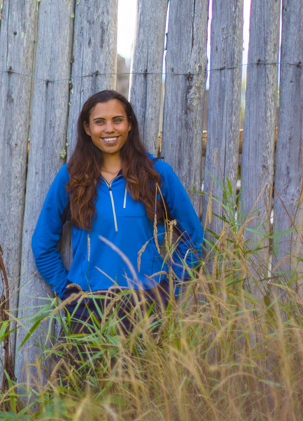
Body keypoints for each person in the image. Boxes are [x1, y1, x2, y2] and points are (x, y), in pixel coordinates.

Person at [31, 90, 204, 374]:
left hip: (145, 304)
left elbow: (193, 237)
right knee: (87, 401)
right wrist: (67, 291)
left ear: (130, 124)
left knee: (142, 401)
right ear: (87, 129)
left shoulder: (156, 174)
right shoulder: (72, 177)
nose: (109, 129)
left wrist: (168, 288)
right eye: (100, 122)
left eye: (117, 120)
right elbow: (43, 243)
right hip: (87, 308)